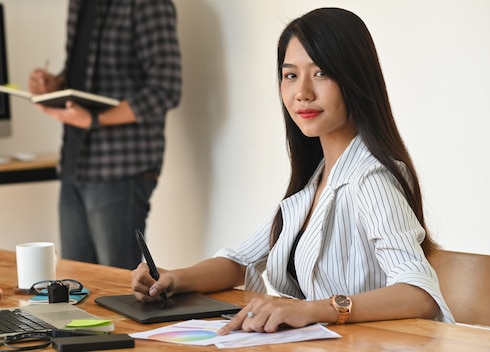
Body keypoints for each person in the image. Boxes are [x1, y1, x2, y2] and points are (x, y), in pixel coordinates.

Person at [132, 7, 454, 334]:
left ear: (355, 79)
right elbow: (239, 261)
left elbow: (420, 293)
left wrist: (312, 310)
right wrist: (173, 278)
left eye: (321, 73)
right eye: (290, 75)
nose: (302, 93)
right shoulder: (316, 181)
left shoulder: (371, 178)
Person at [28, 0, 182, 270]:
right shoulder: (78, 5)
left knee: (116, 284)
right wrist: (57, 84)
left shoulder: (148, 5)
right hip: (74, 164)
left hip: (121, 169)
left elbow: (166, 89)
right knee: (75, 282)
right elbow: (86, 75)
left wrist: (95, 119)